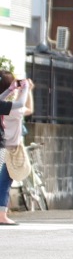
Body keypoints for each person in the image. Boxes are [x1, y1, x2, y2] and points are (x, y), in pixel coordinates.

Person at [0, 71, 32, 226]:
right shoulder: (13, 109)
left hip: (5, 147)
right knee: (4, 182)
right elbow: (22, 105)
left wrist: (11, 89)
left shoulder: (4, 105)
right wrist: (25, 89)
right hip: (7, 148)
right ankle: (1, 215)